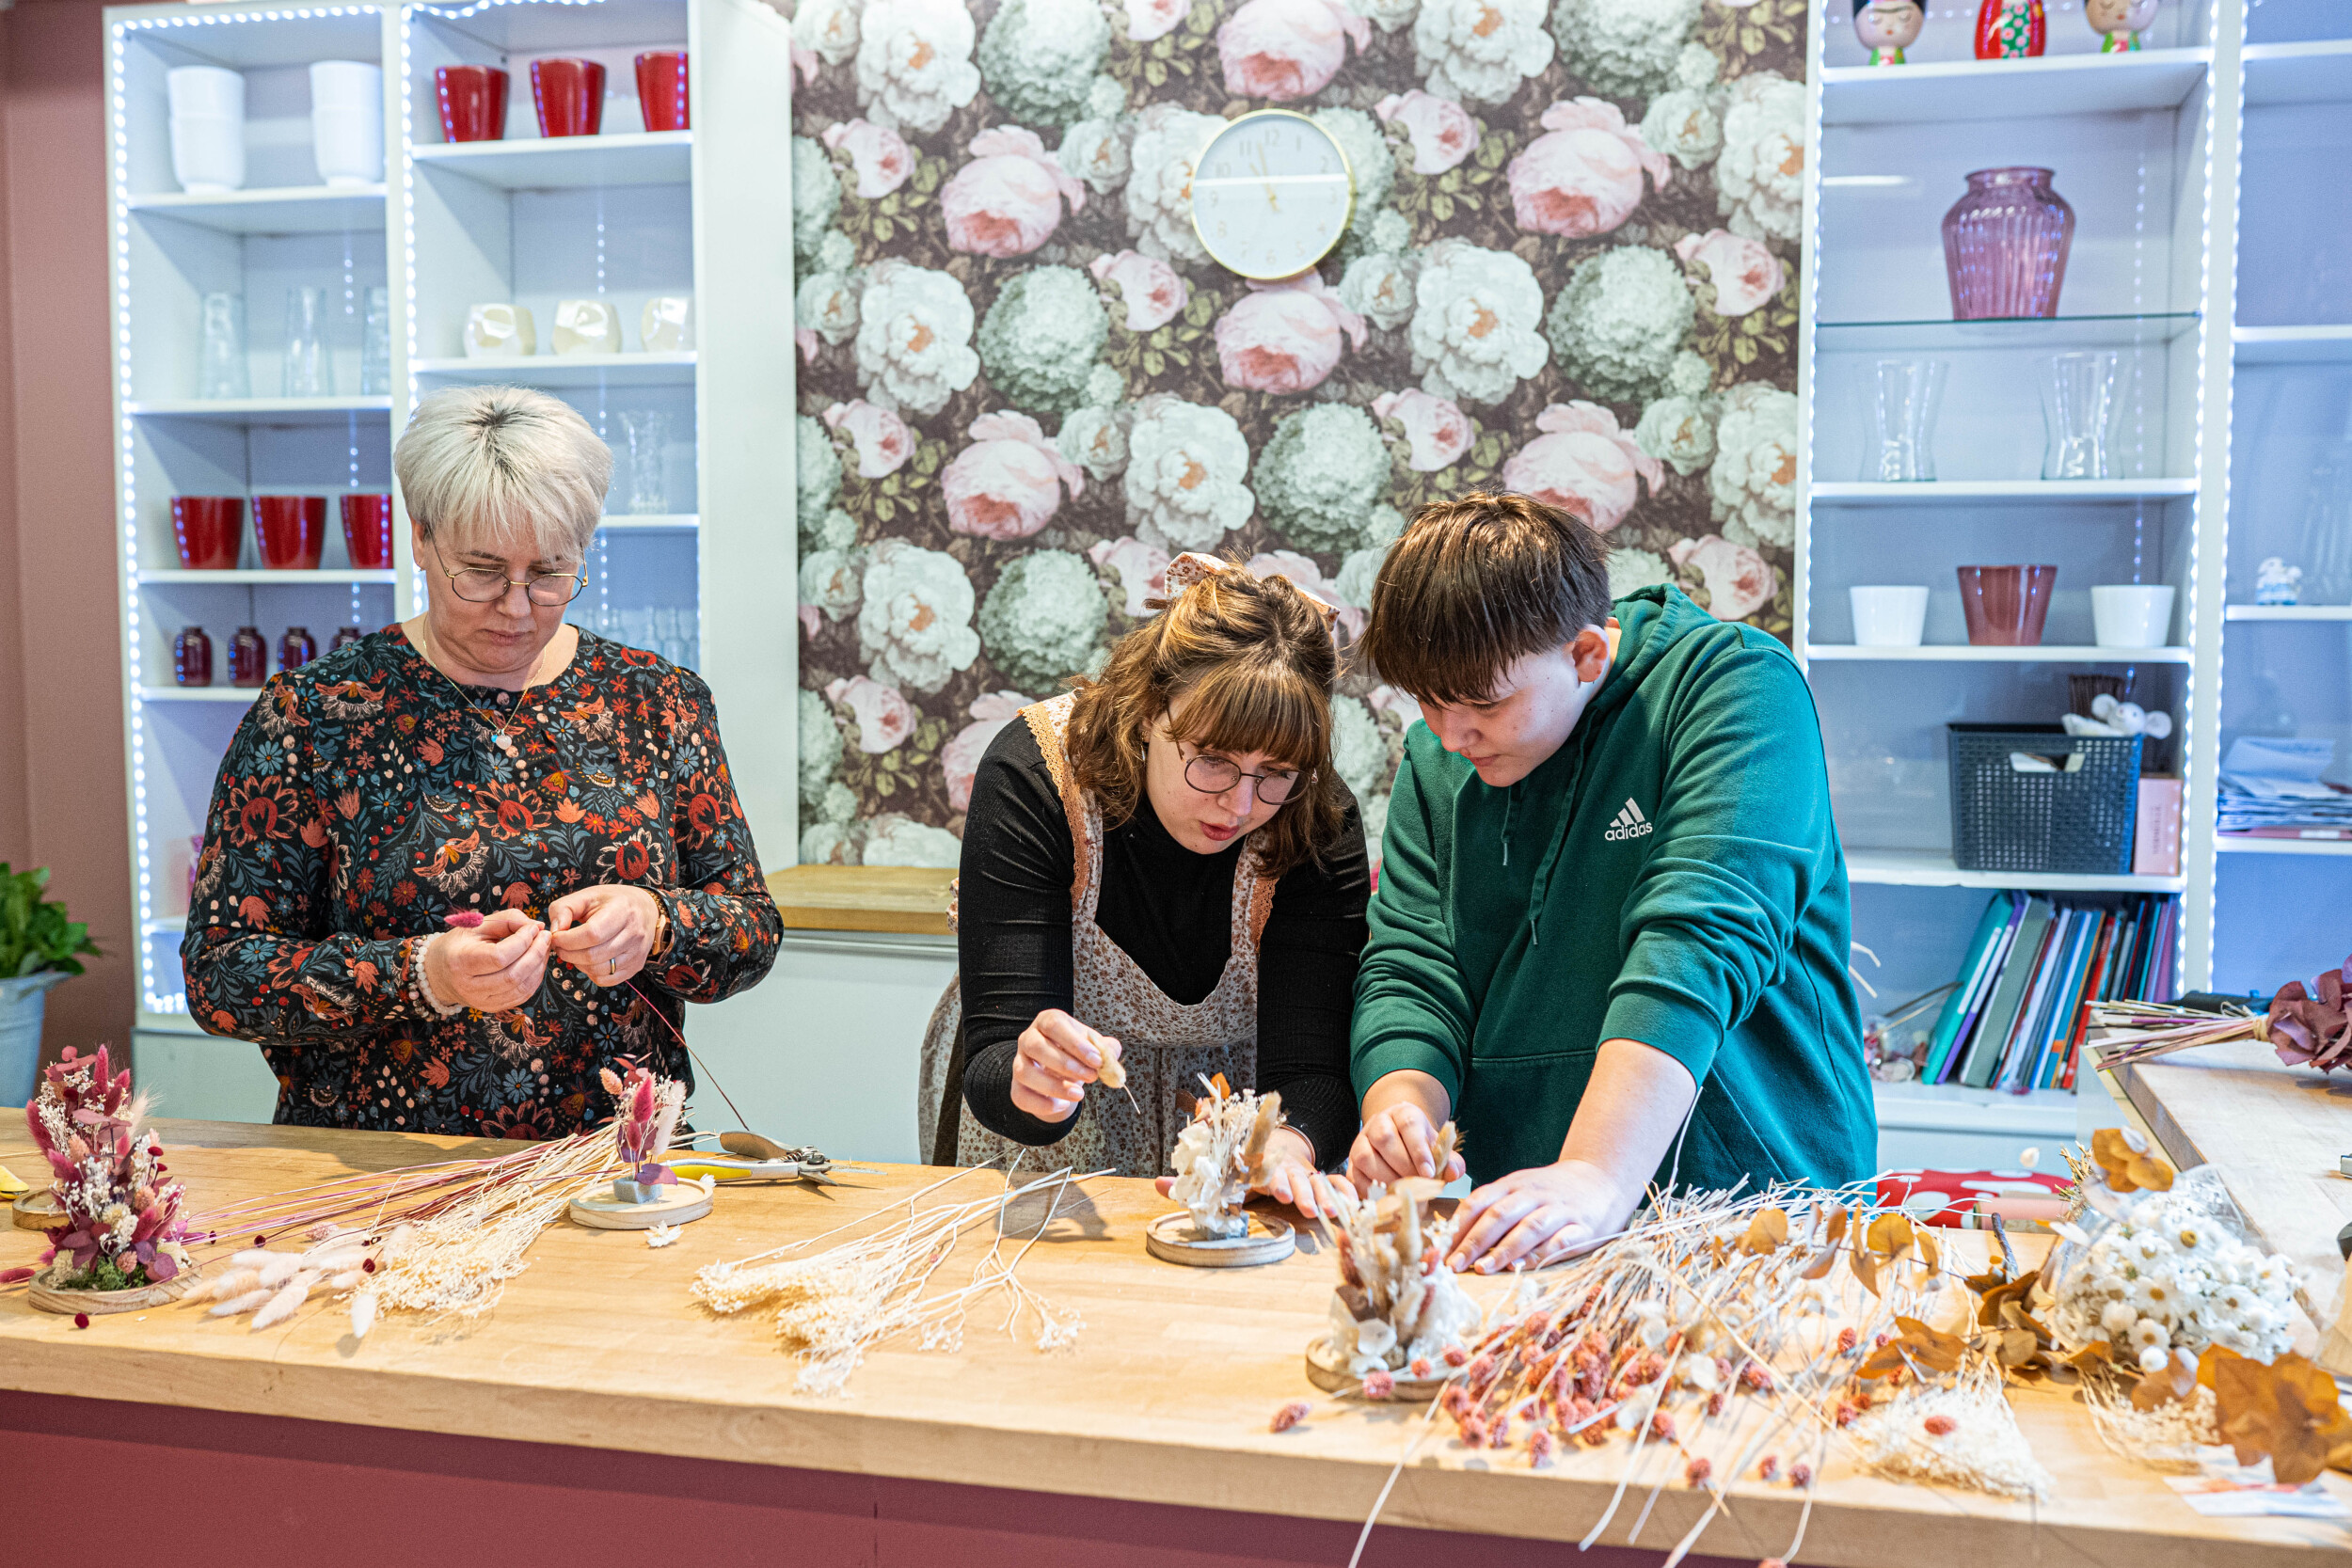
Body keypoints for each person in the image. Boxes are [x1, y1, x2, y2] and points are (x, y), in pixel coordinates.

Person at [183, 386, 781, 1137]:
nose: (518, 606)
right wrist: (424, 974)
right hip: (382, 1180)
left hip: (618, 1168)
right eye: (483, 571)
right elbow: (221, 974)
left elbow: (751, 928)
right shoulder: (315, 716)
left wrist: (656, 921)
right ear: (422, 540)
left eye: (550, 572)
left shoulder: (655, 701)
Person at [1347, 493, 1874, 1273]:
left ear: (1587, 656)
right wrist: (1403, 1111)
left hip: (1751, 1211)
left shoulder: (1736, 688)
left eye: (1484, 704)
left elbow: (1697, 940)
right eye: (1428, 701)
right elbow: (1414, 968)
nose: (1452, 734)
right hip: (1523, 1220)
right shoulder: (1442, 757)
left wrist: (1596, 1173)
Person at [920, 554, 1369, 1213]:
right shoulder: (1038, 777)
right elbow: (996, 1053)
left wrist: (1288, 1145)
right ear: (1150, 710)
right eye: (1211, 760)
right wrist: (1033, 1079)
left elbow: (1309, 1069)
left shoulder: (1312, 814)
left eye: (1274, 771)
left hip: (1235, 1122)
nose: (1240, 806)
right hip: (1044, 1143)